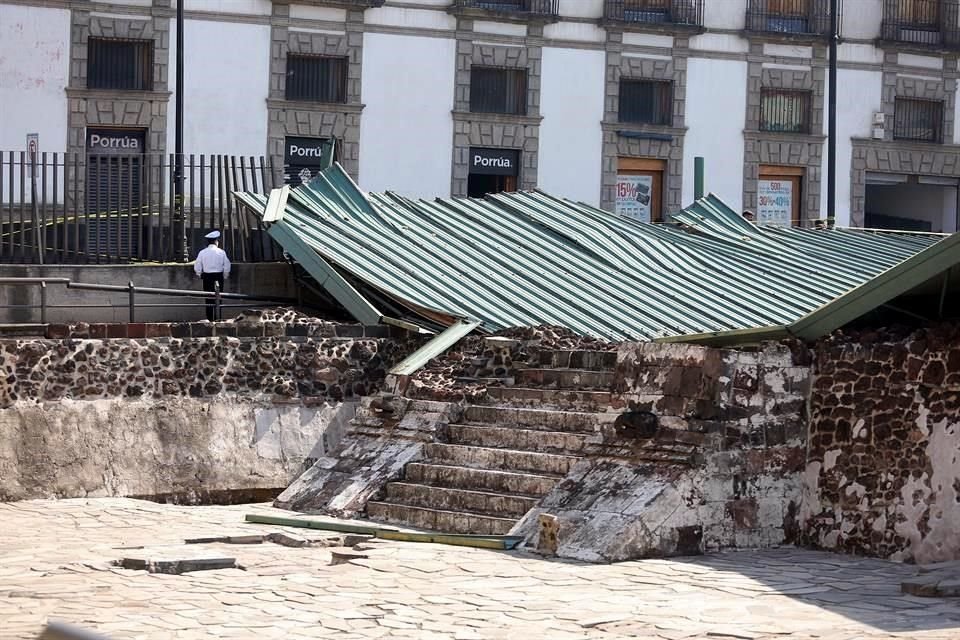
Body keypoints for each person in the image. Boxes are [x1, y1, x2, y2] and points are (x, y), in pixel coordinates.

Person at [194, 230, 231, 321]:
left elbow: (197, 265)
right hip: (218, 277)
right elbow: (227, 265)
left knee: (208, 299)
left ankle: (210, 319)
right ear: (216, 241)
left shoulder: (202, 252)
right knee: (218, 298)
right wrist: (225, 275)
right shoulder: (221, 252)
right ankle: (218, 318)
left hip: (207, 277)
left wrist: (199, 274)